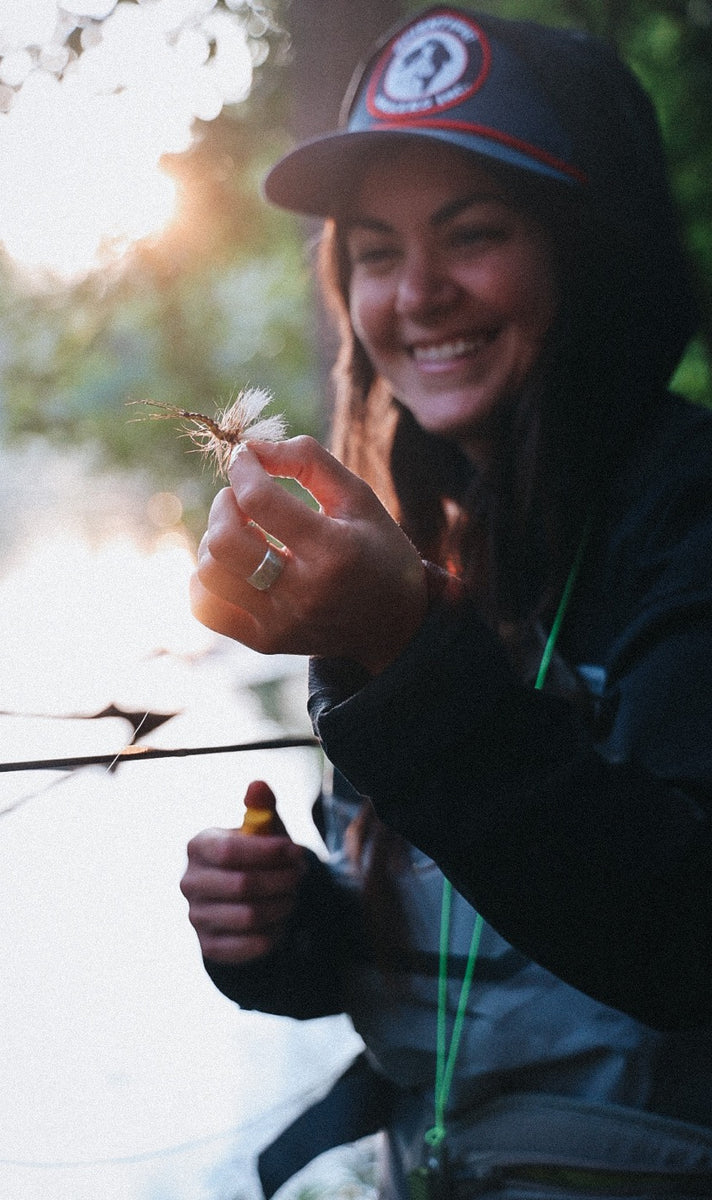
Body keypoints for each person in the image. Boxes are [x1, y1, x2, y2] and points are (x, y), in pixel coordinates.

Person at [180, 7, 712, 1197]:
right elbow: (475, 924)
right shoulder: (419, 532)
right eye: (372, 253)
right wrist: (289, 929)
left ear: (594, 251)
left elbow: (682, 937)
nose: (415, 293)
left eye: (470, 235)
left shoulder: (687, 521)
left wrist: (398, 649)